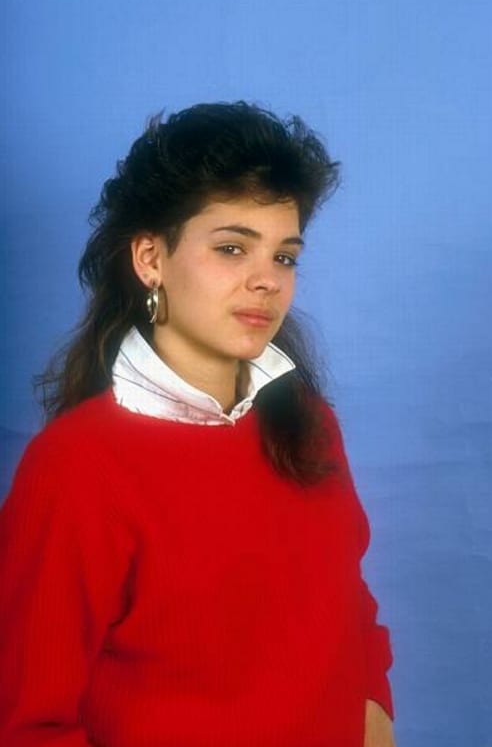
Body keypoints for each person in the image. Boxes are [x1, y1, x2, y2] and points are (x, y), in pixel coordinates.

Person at [0, 102, 395, 747]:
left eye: (285, 257)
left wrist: (375, 712)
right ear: (150, 258)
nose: (266, 281)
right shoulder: (74, 467)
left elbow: (350, 607)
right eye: (232, 248)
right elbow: (26, 723)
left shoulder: (309, 424)